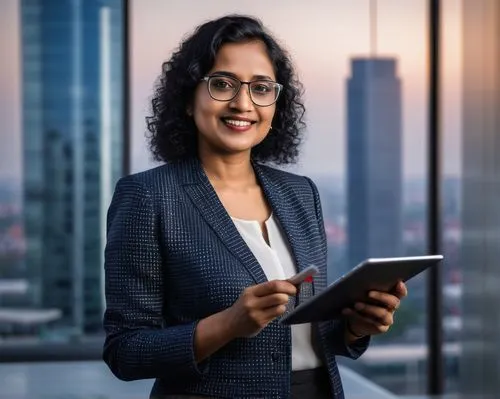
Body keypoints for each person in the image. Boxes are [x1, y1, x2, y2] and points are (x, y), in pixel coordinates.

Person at [102, 14, 408, 399]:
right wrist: (228, 323)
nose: (243, 102)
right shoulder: (149, 197)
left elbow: (307, 335)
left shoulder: (300, 194)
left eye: (261, 88)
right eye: (222, 84)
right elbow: (125, 351)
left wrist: (356, 326)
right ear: (187, 100)